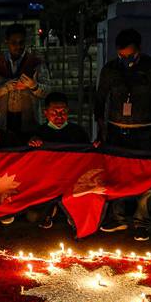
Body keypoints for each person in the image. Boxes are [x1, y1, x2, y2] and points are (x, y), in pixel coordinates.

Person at [95, 28, 151, 241]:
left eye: (130, 55)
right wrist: (101, 126)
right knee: (116, 175)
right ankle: (118, 218)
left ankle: (142, 222)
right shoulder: (111, 69)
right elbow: (100, 98)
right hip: (115, 130)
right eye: (121, 55)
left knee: (144, 176)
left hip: (144, 131)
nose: (126, 59)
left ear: (139, 49)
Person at [26, 92, 92, 229]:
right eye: (54, 112)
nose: (59, 116)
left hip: (72, 181)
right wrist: (31, 144)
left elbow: (88, 157)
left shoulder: (78, 132)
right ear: (45, 113)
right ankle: (51, 211)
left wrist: (94, 148)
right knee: (34, 216)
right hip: (45, 183)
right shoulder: (38, 132)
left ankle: (68, 212)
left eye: (63, 112)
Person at [0, 24, 49, 136]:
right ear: (7, 41)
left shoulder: (36, 63)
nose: (18, 46)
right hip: (3, 119)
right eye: (14, 43)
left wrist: (33, 85)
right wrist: (6, 87)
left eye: (21, 42)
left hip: (29, 119)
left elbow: (47, 90)